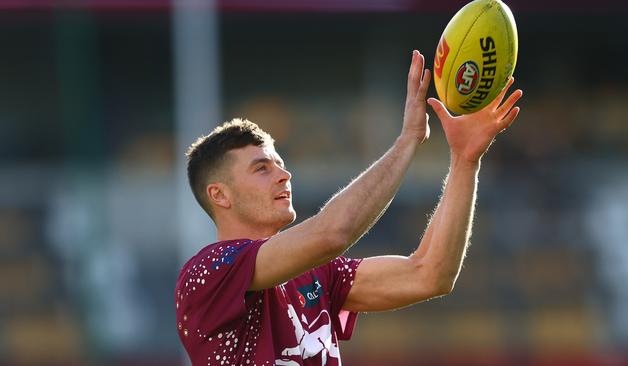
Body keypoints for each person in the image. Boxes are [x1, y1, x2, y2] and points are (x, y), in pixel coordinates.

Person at [175, 50, 523, 366]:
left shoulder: (316, 274)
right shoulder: (208, 273)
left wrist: (464, 160)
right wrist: (408, 140)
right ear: (220, 195)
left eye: (280, 164)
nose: (284, 175)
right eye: (262, 168)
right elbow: (332, 232)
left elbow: (430, 274)